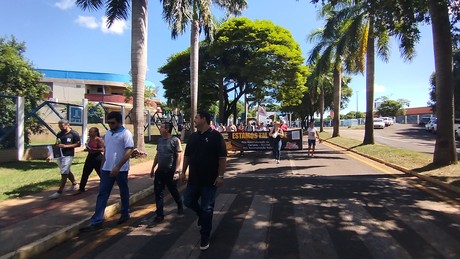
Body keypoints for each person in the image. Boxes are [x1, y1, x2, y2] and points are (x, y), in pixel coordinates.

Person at [182, 111, 227, 251]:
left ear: (204, 119)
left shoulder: (216, 137)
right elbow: (187, 155)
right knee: (188, 201)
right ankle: (201, 215)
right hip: (193, 180)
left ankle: (205, 236)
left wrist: (220, 176)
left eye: (196, 117)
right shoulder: (193, 136)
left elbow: (222, 158)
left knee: (207, 209)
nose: (194, 120)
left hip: (209, 181)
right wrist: (183, 171)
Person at [81, 111, 134, 231]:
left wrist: (118, 166)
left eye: (112, 123)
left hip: (121, 170)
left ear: (119, 122)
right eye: (109, 123)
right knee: (103, 193)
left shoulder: (126, 134)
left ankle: (125, 213)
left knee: (123, 192)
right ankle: (97, 221)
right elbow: (106, 150)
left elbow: (129, 151)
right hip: (106, 169)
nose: (110, 125)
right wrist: (102, 164)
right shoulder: (108, 134)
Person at [150, 122, 184, 223]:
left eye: (161, 127)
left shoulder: (175, 140)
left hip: (171, 171)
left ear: (167, 129)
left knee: (173, 190)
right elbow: (157, 154)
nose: (159, 128)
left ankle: (179, 204)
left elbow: (179, 155)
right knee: (158, 192)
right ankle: (159, 214)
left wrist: (177, 171)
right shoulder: (159, 140)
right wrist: (153, 168)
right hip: (160, 171)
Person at [47, 119, 81, 199]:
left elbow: (78, 144)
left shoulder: (74, 133)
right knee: (66, 170)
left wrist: (66, 146)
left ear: (67, 124)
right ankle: (74, 184)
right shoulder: (59, 134)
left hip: (68, 155)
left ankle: (60, 191)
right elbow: (57, 144)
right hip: (60, 155)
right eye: (59, 126)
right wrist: (50, 155)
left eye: (62, 126)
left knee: (64, 172)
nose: (61, 128)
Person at [79, 127, 104, 193]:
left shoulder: (98, 139)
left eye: (91, 132)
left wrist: (94, 150)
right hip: (90, 157)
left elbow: (102, 149)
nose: (89, 133)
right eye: (89, 132)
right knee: (85, 172)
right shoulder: (89, 139)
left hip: (97, 158)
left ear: (95, 132)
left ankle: (105, 185)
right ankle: (81, 188)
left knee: (100, 172)